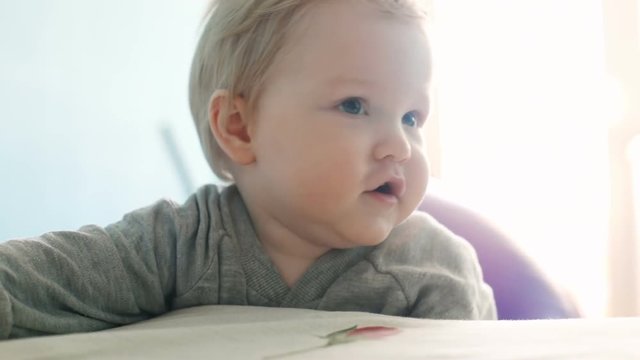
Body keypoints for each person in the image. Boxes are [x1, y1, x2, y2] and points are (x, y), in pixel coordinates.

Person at [0, 0, 496, 340]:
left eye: (413, 117)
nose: (401, 145)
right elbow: (29, 284)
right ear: (239, 127)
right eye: (354, 105)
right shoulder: (178, 245)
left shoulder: (432, 272)